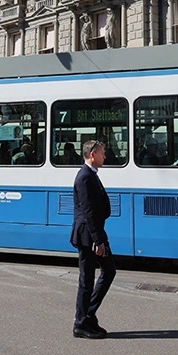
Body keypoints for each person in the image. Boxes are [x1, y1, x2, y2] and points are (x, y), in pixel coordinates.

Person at [71, 140, 115, 339]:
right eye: (102, 153)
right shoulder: (84, 177)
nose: (105, 156)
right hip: (88, 235)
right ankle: (81, 322)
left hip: (95, 232)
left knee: (108, 271)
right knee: (87, 280)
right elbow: (88, 211)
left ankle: (88, 315)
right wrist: (98, 240)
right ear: (92, 155)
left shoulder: (91, 175)